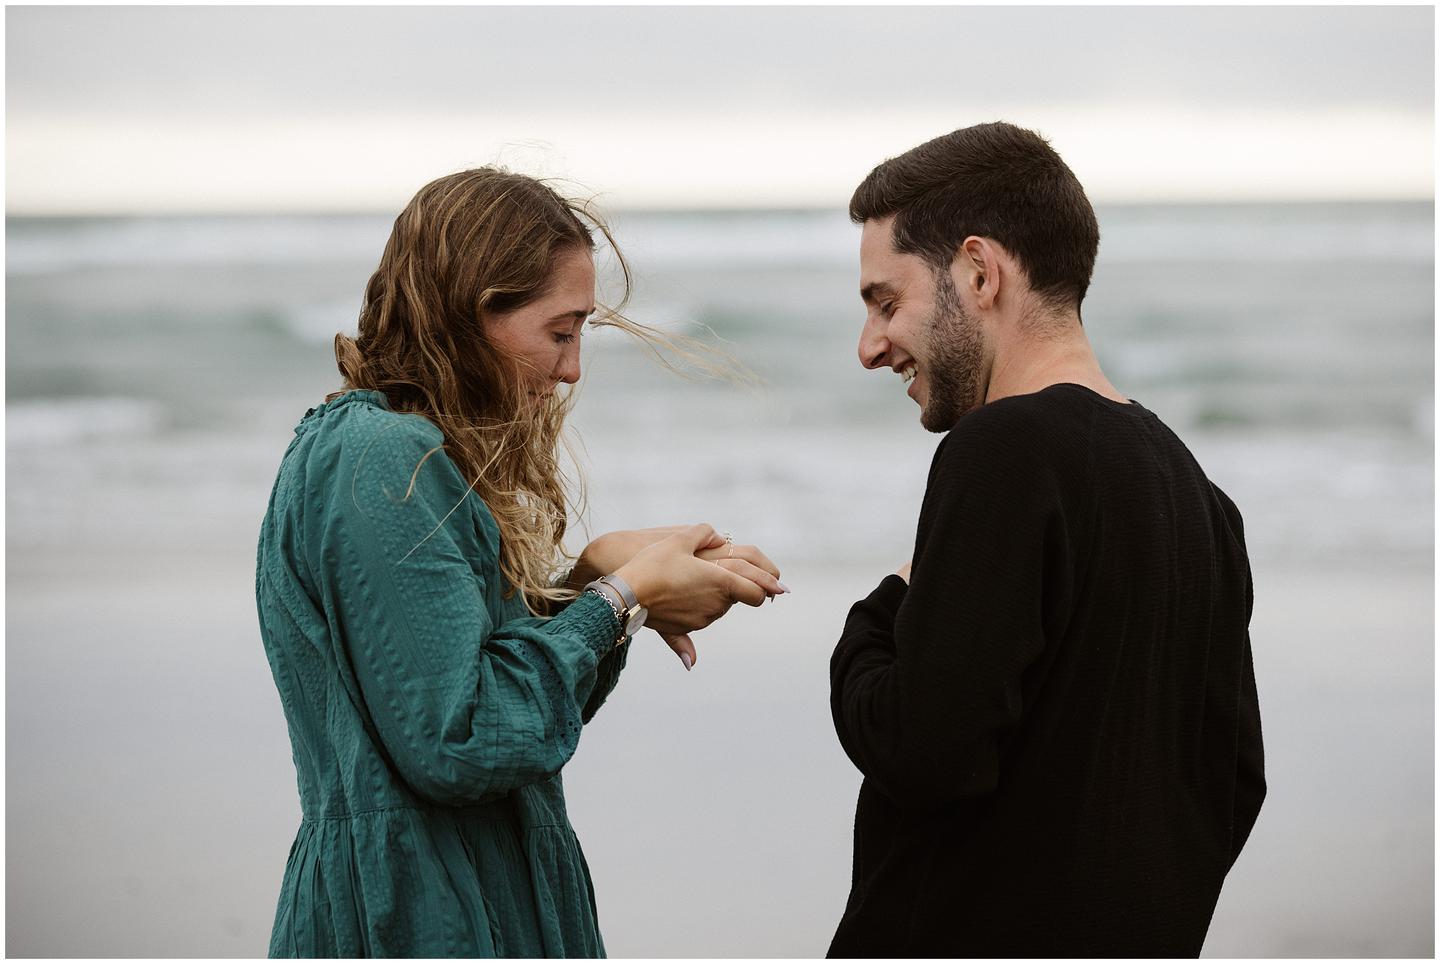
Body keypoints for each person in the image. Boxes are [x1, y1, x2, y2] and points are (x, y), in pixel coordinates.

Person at [255, 168, 786, 958]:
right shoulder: (383, 459)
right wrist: (619, 599)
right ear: (474, 316)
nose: (572, 370)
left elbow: (468, 686)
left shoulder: (397, 450)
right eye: (559, 331)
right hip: (418, 916)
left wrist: (587, 584)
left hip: (463, 892)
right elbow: (461, 739)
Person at [827, 122, 1265, 957]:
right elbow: (1232, 783)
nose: (870, 346)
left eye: (888, 301)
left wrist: (880, 615)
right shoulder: (1202, 498)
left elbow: (923, 753)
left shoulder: (1003, 450)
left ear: (979, 271)